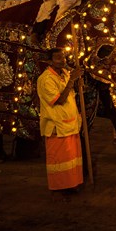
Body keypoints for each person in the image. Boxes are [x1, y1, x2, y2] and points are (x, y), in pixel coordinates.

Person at [37, 47, 85, 201]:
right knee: (59, 161)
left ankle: (72, 184)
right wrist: (72, 80)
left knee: (71, 159)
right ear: (49, 61)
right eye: (58, 58)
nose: (63, 60)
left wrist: (76, 81)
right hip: (56, 126)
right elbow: (59, 100)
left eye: (63, 57)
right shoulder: (46, 79)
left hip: (70, 123)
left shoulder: (64, 73)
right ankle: (59, 188)